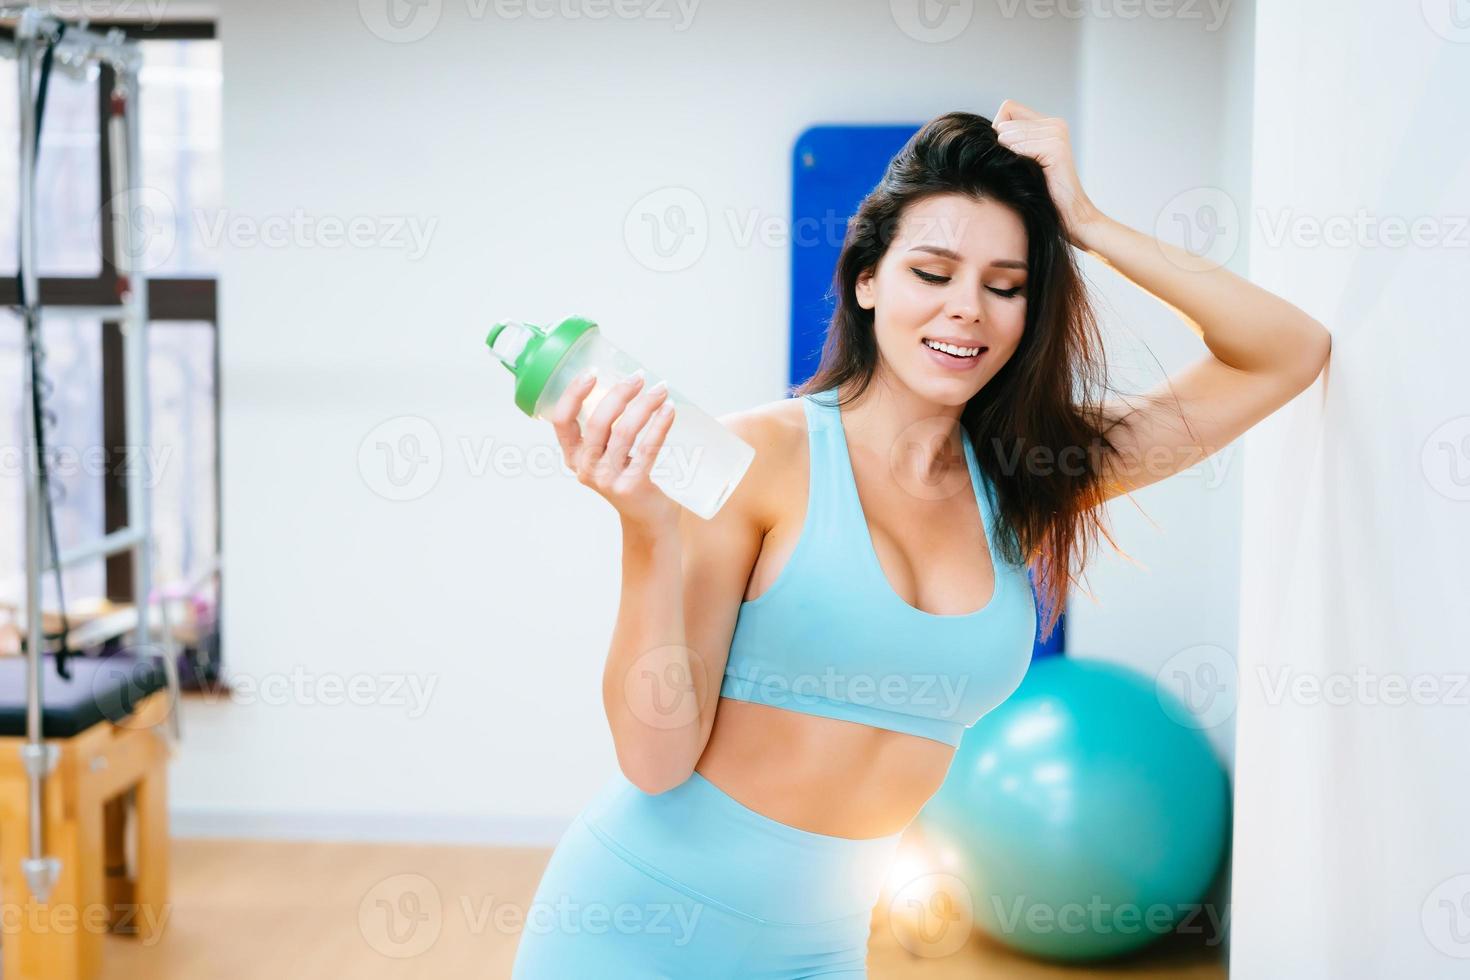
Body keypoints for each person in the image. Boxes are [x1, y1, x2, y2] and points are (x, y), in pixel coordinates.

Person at [510, 100, 1331, 978]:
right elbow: (653, 756)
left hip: (820, 948)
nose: (966, 310)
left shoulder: (1030, 478)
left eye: (1005, 285)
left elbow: (1286, 350)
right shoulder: (761, 457)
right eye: (932, 273)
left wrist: (1089, 224)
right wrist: (646, 530)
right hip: (637, 927)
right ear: (868, 279)